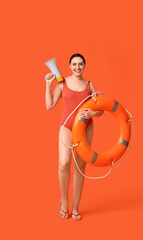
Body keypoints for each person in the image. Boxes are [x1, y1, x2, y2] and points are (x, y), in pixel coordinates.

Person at [45, 53, 103, 220]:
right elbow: (49, 106)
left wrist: (93, 112)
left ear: (84, 66)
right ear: (69, 66)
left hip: (86, 129)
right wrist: (48, 85)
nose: (77, 67)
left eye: (80, 64)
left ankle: (76, 207)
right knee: (63, 164)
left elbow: (100, 110)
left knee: (80, 168)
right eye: (74, 64)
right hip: (67, 128)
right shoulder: (62, 83)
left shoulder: (90, 85)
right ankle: (64, 201)